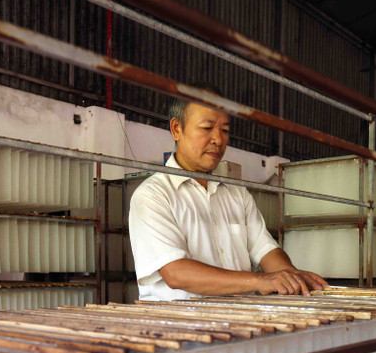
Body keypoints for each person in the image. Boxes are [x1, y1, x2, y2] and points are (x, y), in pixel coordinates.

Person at [128, 87, 328, 302]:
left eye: (224, 130)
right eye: (207, 128)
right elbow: (176, 273)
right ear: (177, 129)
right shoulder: (152, 195)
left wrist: (290, 276)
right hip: (178, 328)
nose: (218, 139)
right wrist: (260, 281)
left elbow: (265, 249)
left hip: (238, 321)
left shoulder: (236, 193)